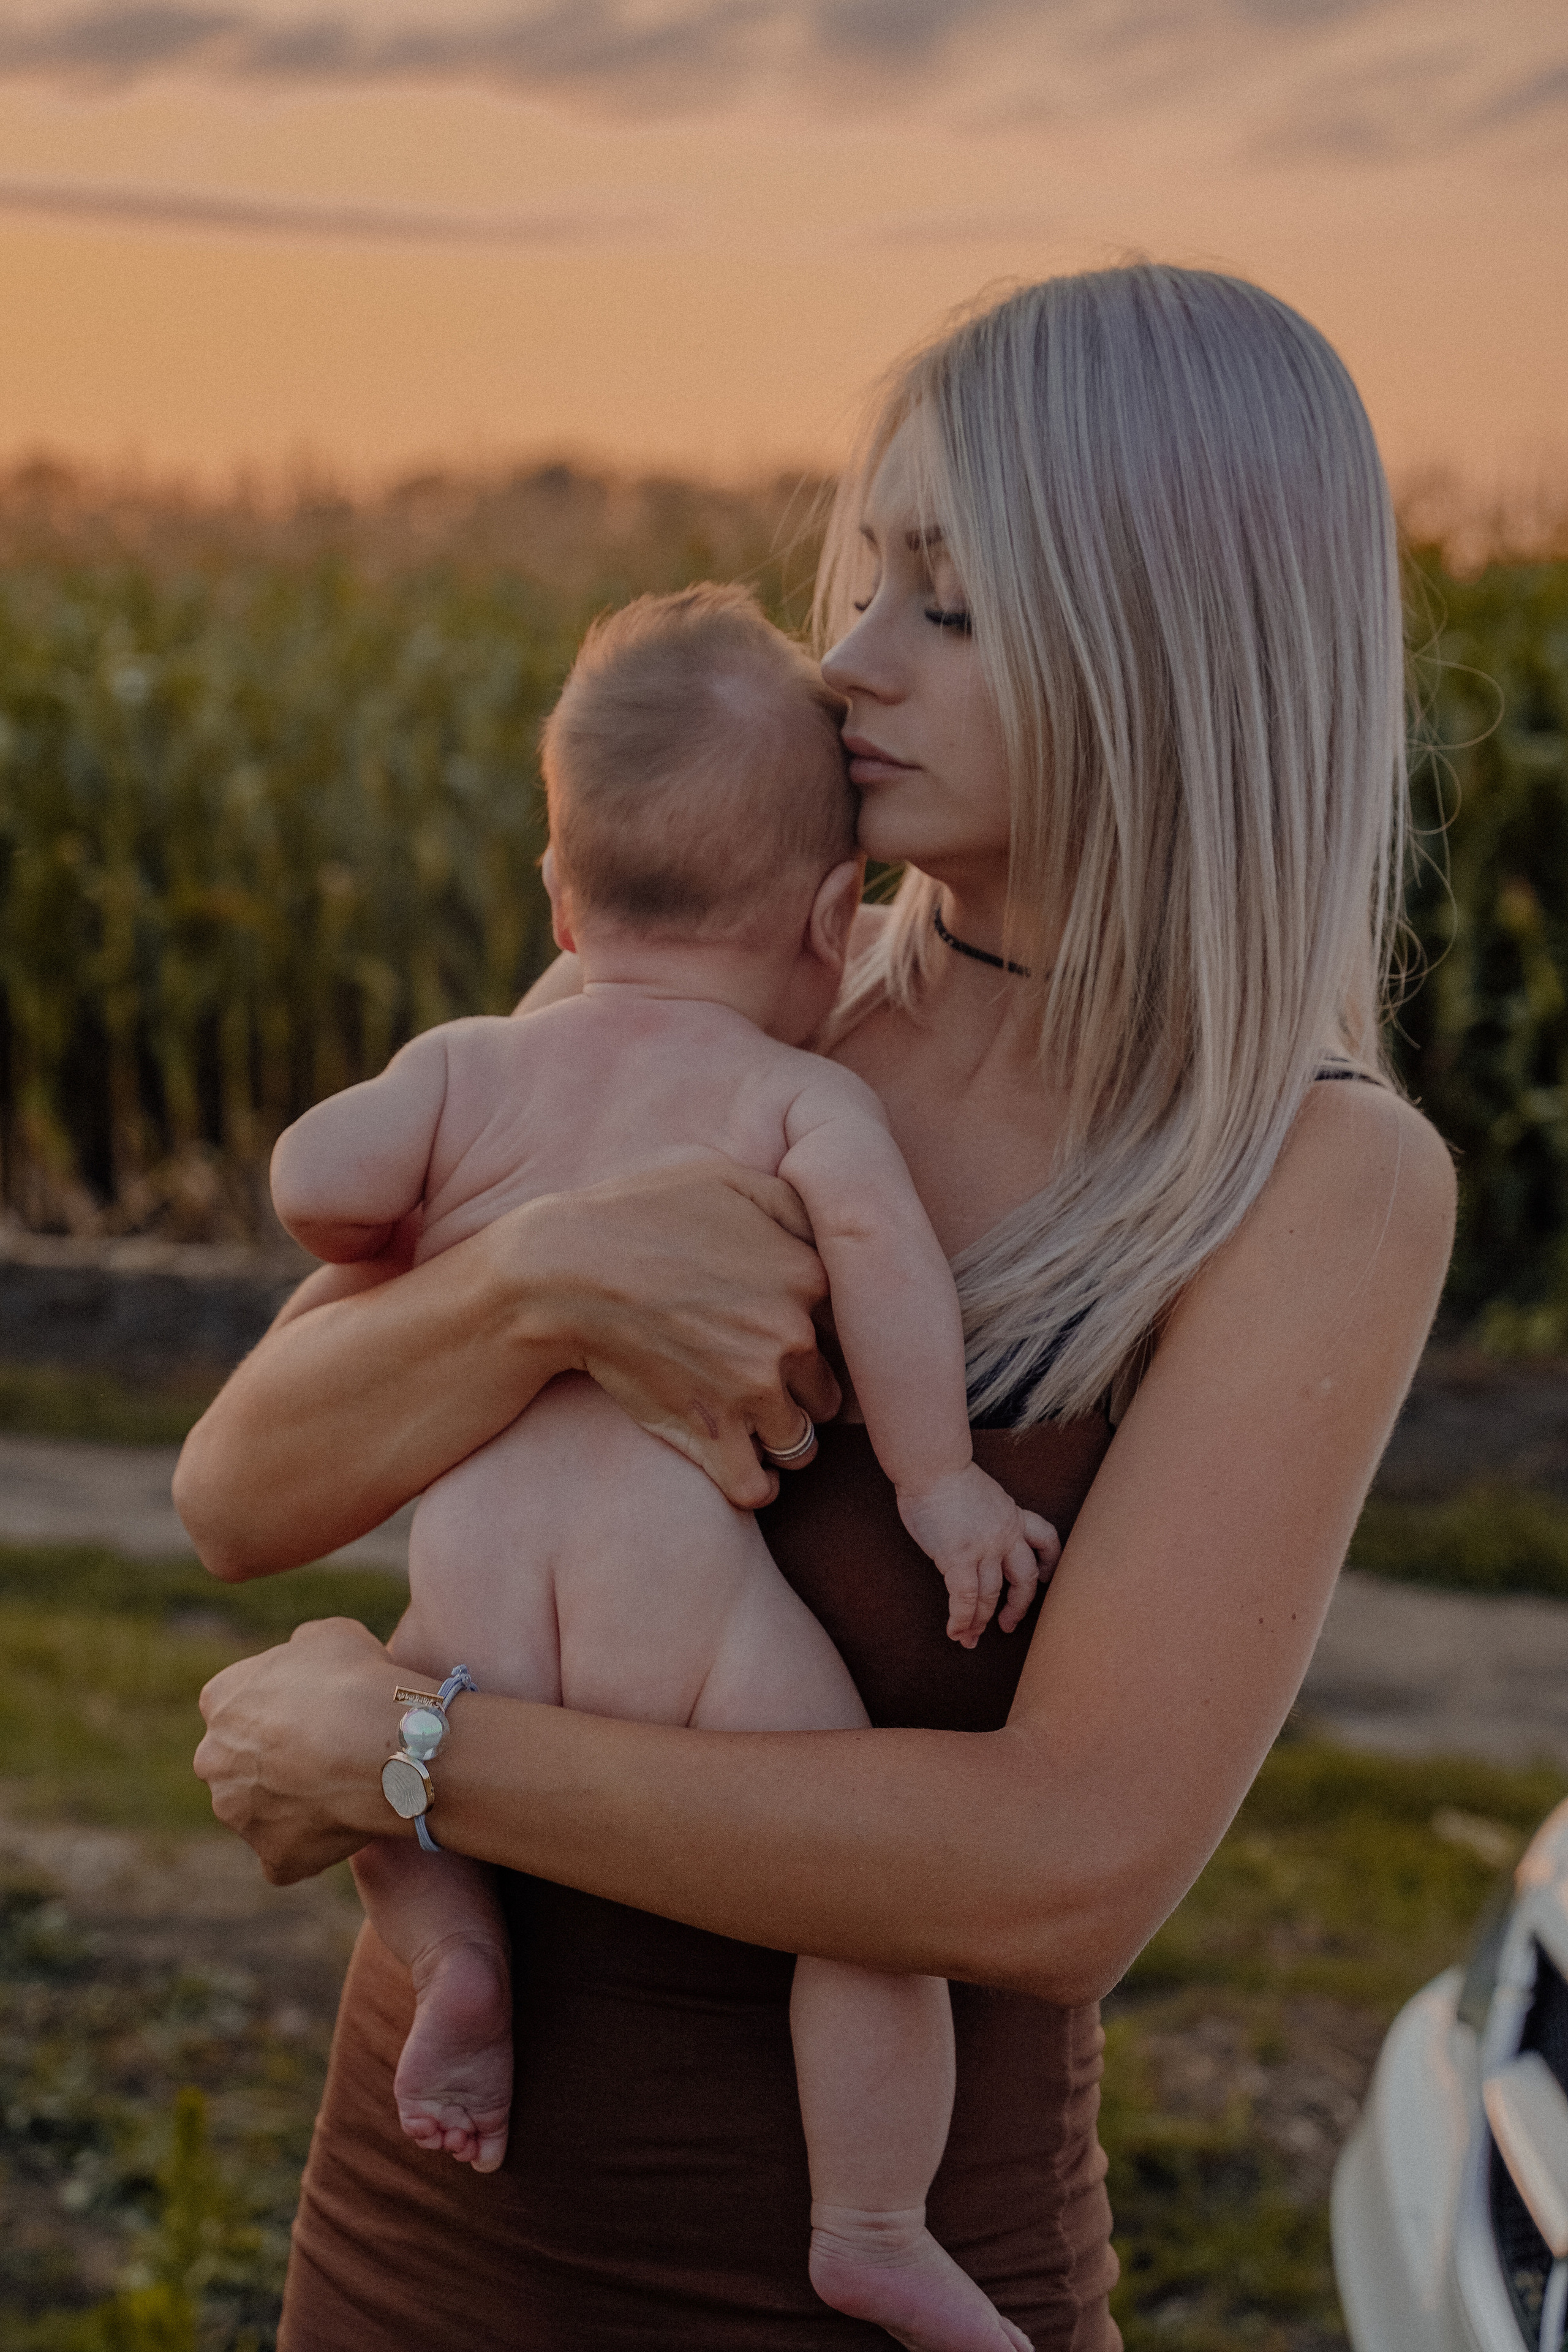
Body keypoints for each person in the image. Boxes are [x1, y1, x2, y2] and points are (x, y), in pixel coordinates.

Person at [180, 263, 1456, 2351]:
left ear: (1169, 647)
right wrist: (546, 1280)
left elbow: (1058, 1875)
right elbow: (242, 1489)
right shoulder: (709, 1014)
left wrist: (413, 1754)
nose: (849, 665)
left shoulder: (1312, 1178)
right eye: (869, 579)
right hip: (421, 2261)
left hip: (853, 2300)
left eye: (947, 606)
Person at [265, 582, 1054, 2351]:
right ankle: (867, 2222)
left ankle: (457, 1956)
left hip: (472, 1612)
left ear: (562, 893)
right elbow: (886, 1271)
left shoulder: (473, 1068)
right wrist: (938, 1488)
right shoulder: (796, 1101)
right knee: (863, 1903)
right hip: (679, 1629)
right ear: (829, 917)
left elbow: (319, 1181)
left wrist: (422, 1195)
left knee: (386, 1735)